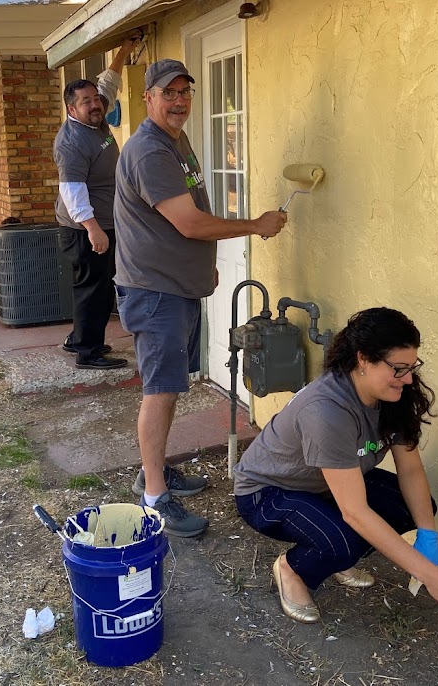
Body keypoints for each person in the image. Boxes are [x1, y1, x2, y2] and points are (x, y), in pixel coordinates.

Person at [114, 59, 288, 537]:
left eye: (185, 92)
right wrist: (254, 226)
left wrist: (201, 264)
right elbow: (189, 223)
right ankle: (154, 497)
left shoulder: (175, 142)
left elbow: (190, 214)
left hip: (175, 284)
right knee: (161, 390)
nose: (178, 101)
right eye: (168, 93)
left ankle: (156, 471)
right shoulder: (150, 151)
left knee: (168, 385)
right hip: (156, 292)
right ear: (148, 97)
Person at [232, 307, 438, 623]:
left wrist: (428, 538)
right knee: (343, 541)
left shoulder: (393, 393)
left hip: (321, 485)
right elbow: (355, 512)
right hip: (268, 491)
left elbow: (411, 470)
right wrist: (428, 572)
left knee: (412, 507)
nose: (409, 378)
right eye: (399, 368)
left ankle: (331, 556)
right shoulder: (327, 411)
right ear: (363, 359)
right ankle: (292, 570)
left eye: (412, 367)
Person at [53, 33, 141, 370]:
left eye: (95, 99)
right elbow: (71, 191)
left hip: (102, 221)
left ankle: (79, 339)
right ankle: (88, 353)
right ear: (71, 109)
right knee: (94, 289)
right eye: (86, 102)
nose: (95, 104)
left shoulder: (96, 116)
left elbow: (109, 81)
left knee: (96, 286)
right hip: (84, 227)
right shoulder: (72, 142)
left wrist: (125, 50)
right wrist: (93, 229)